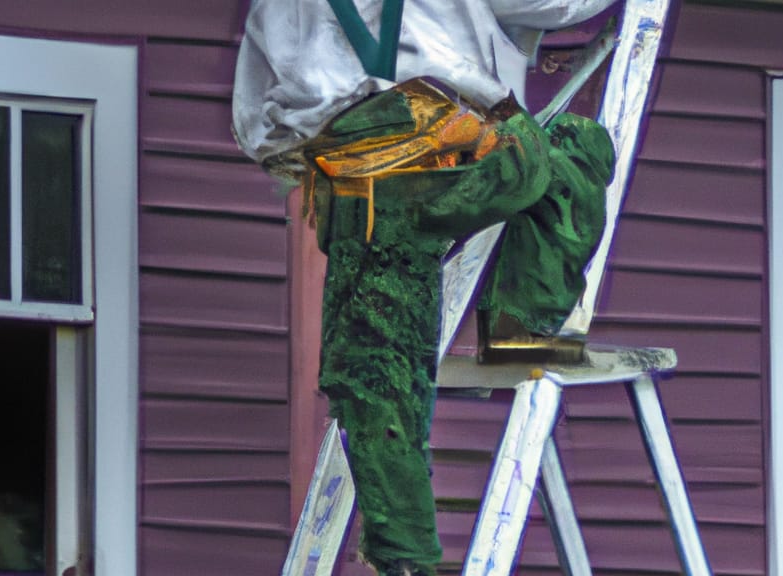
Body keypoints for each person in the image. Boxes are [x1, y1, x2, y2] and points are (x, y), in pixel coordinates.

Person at [232, 1, 618, 574]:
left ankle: (404, 560)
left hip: (364, 176)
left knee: (379, 377)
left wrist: (322, 142)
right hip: (481, 150)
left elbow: (255, 130)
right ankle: (518, 327)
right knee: (575, 153)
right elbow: (559, 4)